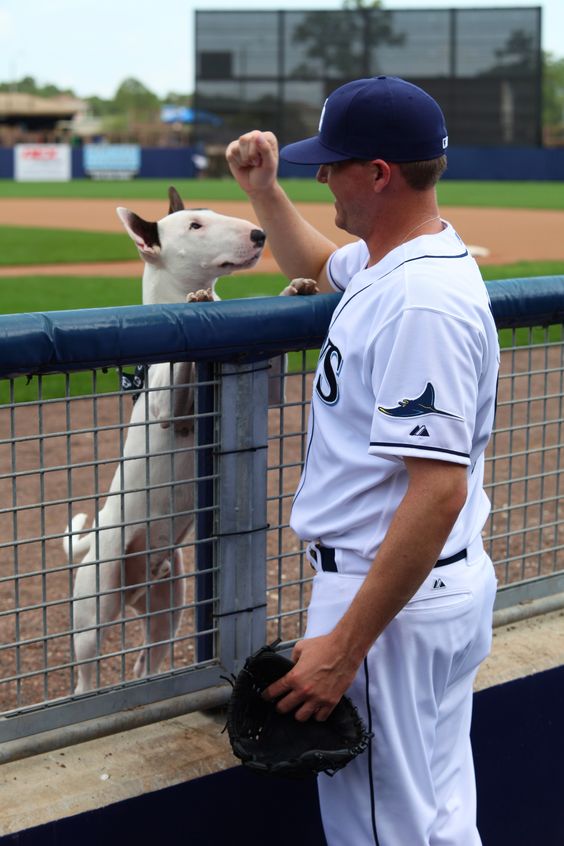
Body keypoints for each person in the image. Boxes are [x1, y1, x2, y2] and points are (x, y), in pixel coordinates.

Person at [226, 76, 499, 846]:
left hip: (386, 607)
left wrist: (345, 647)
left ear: (378, 173)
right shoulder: (396, 261)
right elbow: (317, 254)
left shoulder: (421, 303)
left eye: (332, 164)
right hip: (424, 591)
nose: (321, 177)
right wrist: (264, 192)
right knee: (437, 823)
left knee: (386, 836)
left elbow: (438, 491)